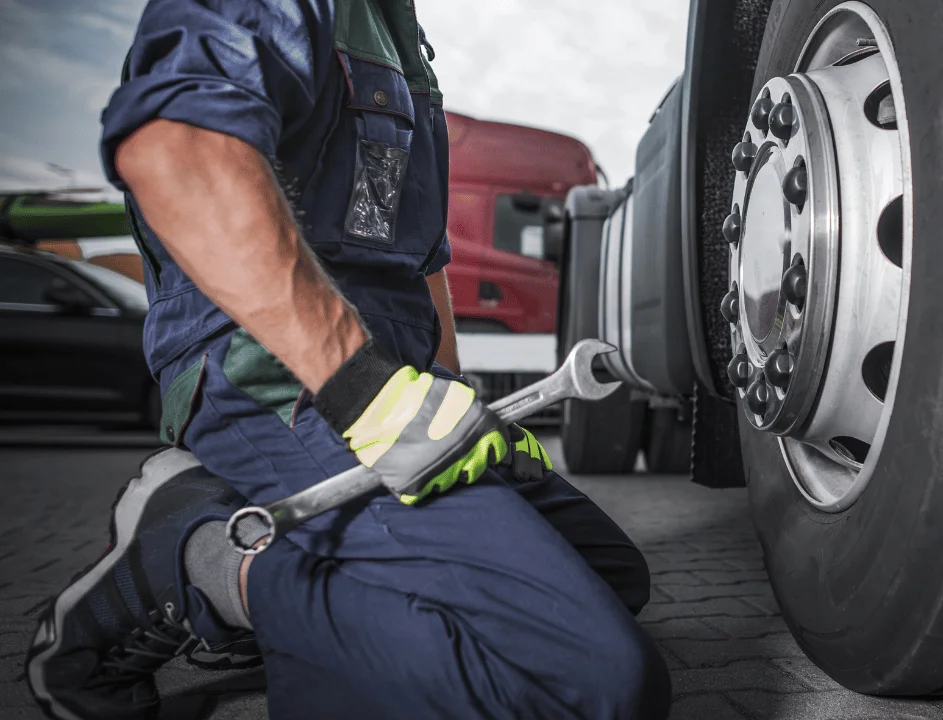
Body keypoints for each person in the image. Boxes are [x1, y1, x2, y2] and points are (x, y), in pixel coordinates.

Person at [24, 1, 672, 718]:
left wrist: (449, 398)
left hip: (387, 374)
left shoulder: (396, 31)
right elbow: (177, 150)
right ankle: (205, 565)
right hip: (274, 372)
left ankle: (286, 586)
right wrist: (364, 393)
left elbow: (420, 261)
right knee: (597, 685)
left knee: (611, 576)